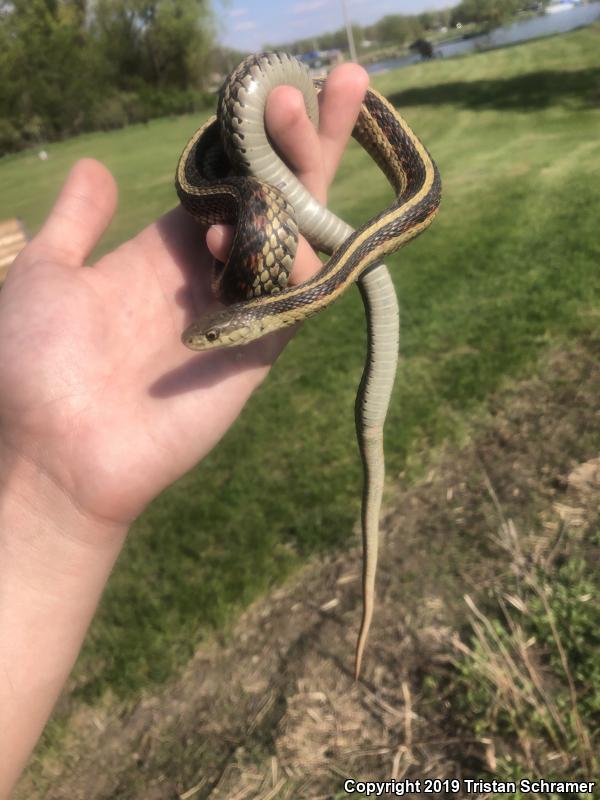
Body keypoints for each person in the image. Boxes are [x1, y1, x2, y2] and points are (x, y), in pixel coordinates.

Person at [0, 63, 370, 796]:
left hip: (254, 204)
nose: (196, 344)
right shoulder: (223, 213)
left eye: (208, 337)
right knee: (277, 236)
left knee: (290, 134)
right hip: (248, 234)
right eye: (205, 338)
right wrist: (49, 487)